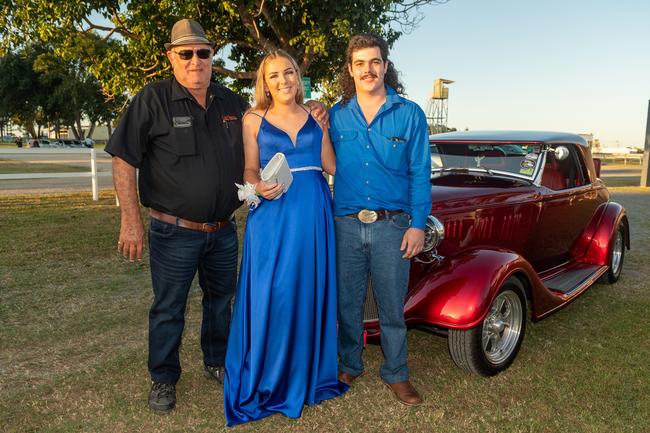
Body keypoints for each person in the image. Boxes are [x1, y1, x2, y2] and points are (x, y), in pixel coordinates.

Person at [105, 19, 248, 413]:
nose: (195, 60)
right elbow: (123, 159)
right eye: (185, 53)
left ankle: (217, 362)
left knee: (222, 301)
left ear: (212, 57)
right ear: (171, 58)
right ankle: (164, 378)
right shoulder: (152, 99)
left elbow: (272, 123)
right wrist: (130, 220)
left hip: (222, 230)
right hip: (174, 232)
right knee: (169, 307)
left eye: (203, 52)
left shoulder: (232, 102)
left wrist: (315, 109)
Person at [224, 50, 348, 426]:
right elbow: (248, 167)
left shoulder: (315, 114)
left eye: (289, 72)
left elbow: (330, 166)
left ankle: (307, 372)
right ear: (264, 81)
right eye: (274, 75)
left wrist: (323, 126)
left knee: (307, 288)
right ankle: (269, 376)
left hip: (312, 209)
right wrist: (258, 184)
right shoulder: (253, 118)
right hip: (274, 213)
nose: (283, 80)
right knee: (273, 291)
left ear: (298, 75)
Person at [329, 34, 432, 406]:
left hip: (394, 225)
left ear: (386, 66)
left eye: (375, 62)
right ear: (350, 70)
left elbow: (420, 172)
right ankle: (349, 365)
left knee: (391, 304)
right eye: (360, 63)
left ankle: (397, 373)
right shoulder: (335, 115)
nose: (368, 70)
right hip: (346, 224)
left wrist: (418, 223)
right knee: (347, 302)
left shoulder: (410, 114)